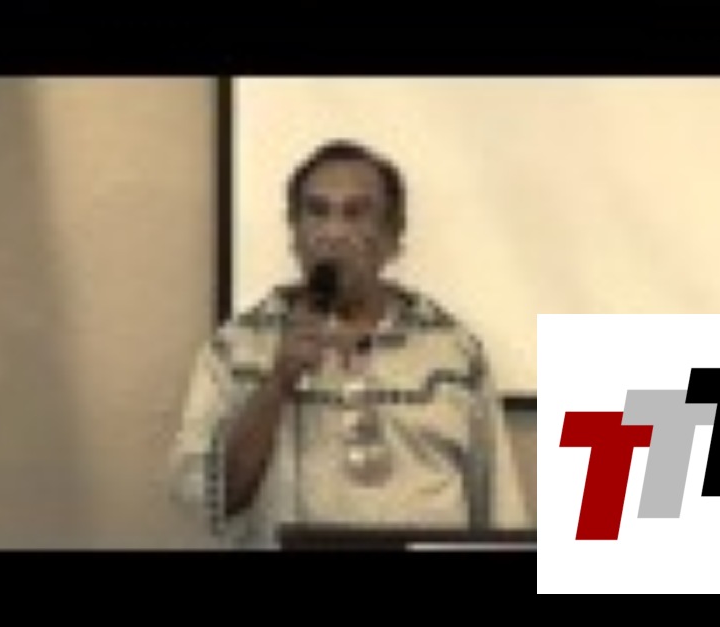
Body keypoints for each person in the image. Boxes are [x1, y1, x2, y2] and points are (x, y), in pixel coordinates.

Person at [168, 138, 530, 548]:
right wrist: (277, 383)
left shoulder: (453, 352)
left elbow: (499, 512)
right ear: (294, 233)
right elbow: (210, 501)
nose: (333, 233)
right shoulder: (235, 348)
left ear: (393, 236)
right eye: (317, 212)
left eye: (356, 214)